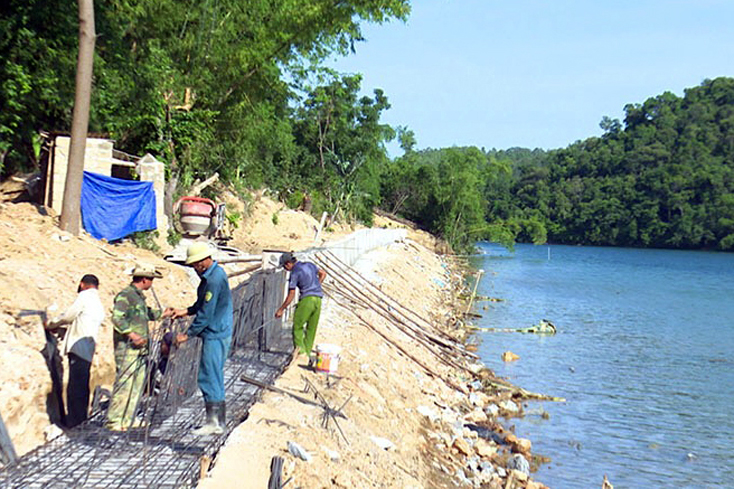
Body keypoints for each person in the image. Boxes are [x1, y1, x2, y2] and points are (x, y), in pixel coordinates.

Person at [171, 243, 233, 436]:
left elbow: (206, 314)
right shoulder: (210, 276)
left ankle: (214, 423)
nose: (195, 269)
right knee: (214, 375)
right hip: (217, 331)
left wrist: (186, 335)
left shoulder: (214, 280)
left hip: (215, 332)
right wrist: (185, 311)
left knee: (209, 376)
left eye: (196, 265)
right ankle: (217, 422)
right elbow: (201, 305)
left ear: (204, 260)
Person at [107, 263, 172, 431]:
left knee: (136, 385)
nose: (152, 284)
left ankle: (128, 419)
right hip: (128, 349)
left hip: (141, 350)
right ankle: (114, 420)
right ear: (145, 279)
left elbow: (145, 314)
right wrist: (132, 334)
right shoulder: (126, 295)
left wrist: (162, 314)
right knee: (125, 383)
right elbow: (117, 318)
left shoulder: (139, 298)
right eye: (151, 280)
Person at [45, 274, 105, 428]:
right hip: (88, 348)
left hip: (79, 349)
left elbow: (69, 316)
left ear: (82, 284)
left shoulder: (84, 296)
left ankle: (75, 423)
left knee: (75, 387)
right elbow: (81, 321)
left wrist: (51, 324)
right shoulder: (98, 302)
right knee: (82, 384)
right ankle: (81, 419)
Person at [274, 252, 326, 360]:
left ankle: (300, 353)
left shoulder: (294, 272)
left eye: (284, 266)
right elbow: (323, 273)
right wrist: (317, 286)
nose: (285, 269)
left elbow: (291, 293)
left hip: (307, 300)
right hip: (318, 299)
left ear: (288, 264)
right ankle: (306, 353)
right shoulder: (310, 265)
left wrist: (281, 309)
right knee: (311, 328)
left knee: (297, 326)